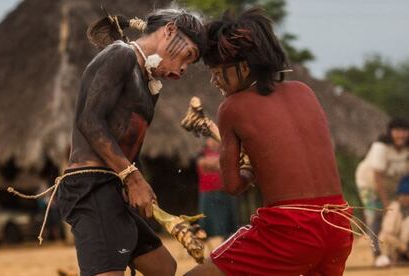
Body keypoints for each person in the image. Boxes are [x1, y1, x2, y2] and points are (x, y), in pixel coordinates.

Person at [186, 8, 353, 276]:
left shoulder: (232, 106)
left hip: (290, 228)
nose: (214, 80)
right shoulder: (305, 91)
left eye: (218, 71)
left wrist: (250, 169)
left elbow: (231, 186)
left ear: (244, 66)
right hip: (339, 223)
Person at [56, 8, 205, 276]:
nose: (184, 67)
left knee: (164, 268)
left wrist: (135, 185)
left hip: (115, 186)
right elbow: (90, 122)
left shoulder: (150, 84)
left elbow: (128, 145)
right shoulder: (121, 54)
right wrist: (134, 179)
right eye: (188, 55)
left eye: (190, 64)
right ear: (170, 30)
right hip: (91, 186)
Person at [356, 118, 409, 265]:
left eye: (404, 131)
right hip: (370, 184)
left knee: (398, 216)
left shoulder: (406, 149)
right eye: (397, 131)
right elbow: (377, 177)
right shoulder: (381, 147)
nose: (401, 135)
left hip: (392, 186)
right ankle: (378, 254)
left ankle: (398, 253)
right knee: (375, 215)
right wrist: (385, 202)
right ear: (390, 132)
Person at [196, 138, 238, 249]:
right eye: (210, 139)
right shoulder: (202, 152)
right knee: (206, 224)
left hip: (225, 192)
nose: (213, 142)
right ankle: (203, 248)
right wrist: (218, 163)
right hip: (208, 193)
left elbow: (227, 165)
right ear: (207, 141)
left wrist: (215, 163)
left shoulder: (226, 152)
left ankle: (227, 246)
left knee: (228, 224)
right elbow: (203, 164)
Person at [376, 175, 409, 267]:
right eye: (405, 195)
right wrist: (404, 249)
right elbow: (388, 234)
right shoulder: (394, 208)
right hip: (391, 247)